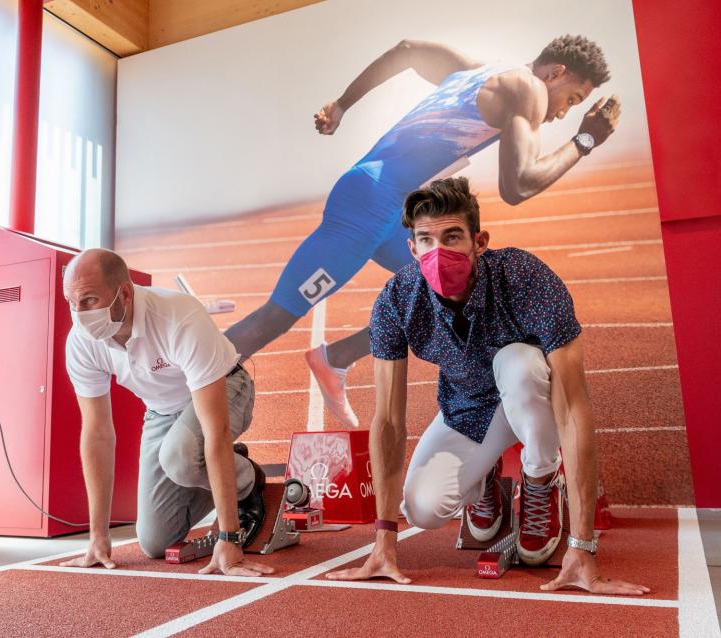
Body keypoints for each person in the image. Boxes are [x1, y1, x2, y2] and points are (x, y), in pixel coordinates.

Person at [224, 35, 621, 428]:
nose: (563, 113)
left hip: (389, 209)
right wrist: (585, 140)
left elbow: (407, 51)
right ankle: (183, 386)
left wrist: (343, 104)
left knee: (453, 293)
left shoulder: (474, 70)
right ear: (555, 72)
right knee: (274, 317)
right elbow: (517, 186)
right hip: (368, 206)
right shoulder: (530, 90)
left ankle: (335, 358)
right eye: (572, 99)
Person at [325, 177, 648, 594]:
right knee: (422, 509)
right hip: (468, 409)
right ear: (412, 249)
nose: (438, 252)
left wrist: (583, 546)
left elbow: (572, 407)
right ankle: (485, 480)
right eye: (426, 239)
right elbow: (387, 419)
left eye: (452, 236)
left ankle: (540, 480)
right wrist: (384, 540)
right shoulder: (397, 299)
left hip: (534, 398)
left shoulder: (526, 278)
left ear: (480, 241)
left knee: (517, 362)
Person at [59, 249, 273, 577]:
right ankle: (221, 462)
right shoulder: (82, 341)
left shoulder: (178, 316)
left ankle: (248, 481)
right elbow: (97, 432)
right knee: (155, 542)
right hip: (162, 412)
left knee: (181, 457)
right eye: (71, 303)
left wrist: (229, 538)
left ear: (125, 294)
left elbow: (215, 429)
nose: (79, 314)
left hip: (226, 387)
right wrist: (97, 537)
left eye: (88, 300)